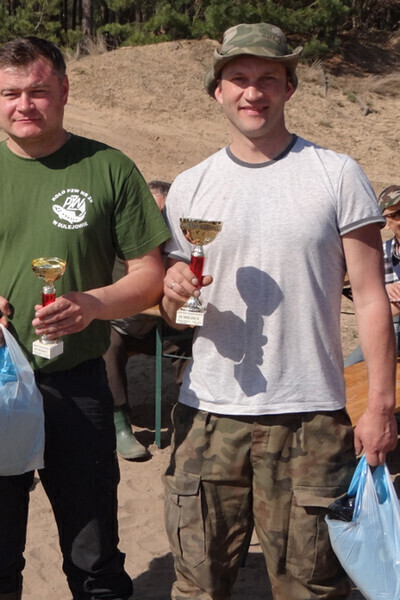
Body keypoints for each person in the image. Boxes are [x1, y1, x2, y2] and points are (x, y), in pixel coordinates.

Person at [0, 36, 169, 600]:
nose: (24, 105)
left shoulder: (109, 168)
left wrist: (93, 304)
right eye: (10, 93)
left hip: (78, 387)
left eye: (38, 91)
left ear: (64, 90)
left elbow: (150, 274)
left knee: (95, 557)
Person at [159, 23, 397, 599]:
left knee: (309, 588)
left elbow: (371, 296)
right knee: (197, 587)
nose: (253, 92)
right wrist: (173, 297)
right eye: (238, 78)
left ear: (289, 87)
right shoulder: (191, 186)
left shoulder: (336, 174)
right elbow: (175, 314)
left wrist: (381, 405)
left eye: (268, 78)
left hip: (311, 418)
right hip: (208, 416)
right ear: (217, 90)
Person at [104, 180, 192, 461]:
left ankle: (190, 413)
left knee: (193, 341)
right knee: (107, 344)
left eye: (163, 216)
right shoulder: (119, 240)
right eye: (149, 214)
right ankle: (119, 423)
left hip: (163, 326)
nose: (155, 223)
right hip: (123, 324)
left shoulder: (181, 246)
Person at [344, 184, 400, 367]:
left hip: (390, 327)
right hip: (388, 330)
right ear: (386, 223)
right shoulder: (381, 253)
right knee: (347, 370)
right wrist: (384, 291)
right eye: (398, 214)